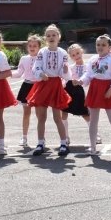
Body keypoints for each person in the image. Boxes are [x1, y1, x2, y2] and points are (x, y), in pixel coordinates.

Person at [79, 34, 111, 156]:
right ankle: (92, 147)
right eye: (98, 44)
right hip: (95, 89)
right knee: (93, 121)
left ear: (109, 47)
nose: (100, 47)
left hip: (108, 89)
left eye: (103, 45)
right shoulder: (92, 59)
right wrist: (80, 81)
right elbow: (88, 74)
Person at [28, 25, 72, 156]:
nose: (51, 37)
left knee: (57, 117)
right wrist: (41, 74)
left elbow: (65, 72)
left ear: (59, 37)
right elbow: (36, 66)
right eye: (48, 35)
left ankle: (63, 143)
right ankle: (40, 143)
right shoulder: (42, 52)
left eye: (54, 35)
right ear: (45, 38)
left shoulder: (63, 53)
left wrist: (65, 70)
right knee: (41, 117)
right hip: (43, 84)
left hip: (55, 85)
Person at [13, 34, 42, 147]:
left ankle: (41, 138)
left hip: (39, 87)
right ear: (27, 47)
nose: (32, 48)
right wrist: (6, 73)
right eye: (30, 45)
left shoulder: (42, 58)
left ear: (39, 47)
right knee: (26, 113)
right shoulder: (24, 59)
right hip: (27, 86)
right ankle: (24, 137)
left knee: (40, 114)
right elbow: (19, 73)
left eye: (35, 46)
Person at [63, 43, 92, 145]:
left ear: (82, 52)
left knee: (85, 113)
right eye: (73, 55)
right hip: (69, 89)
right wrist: (65, 71)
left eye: (78, 53)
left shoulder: (88, 66)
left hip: (80, 92)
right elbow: (65, 78)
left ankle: (95, 134)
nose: (76, 56)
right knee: (64, 112)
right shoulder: (70, 67)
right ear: (71, 57)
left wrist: (81, 82)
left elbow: (88, 79)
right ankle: (65, 136)